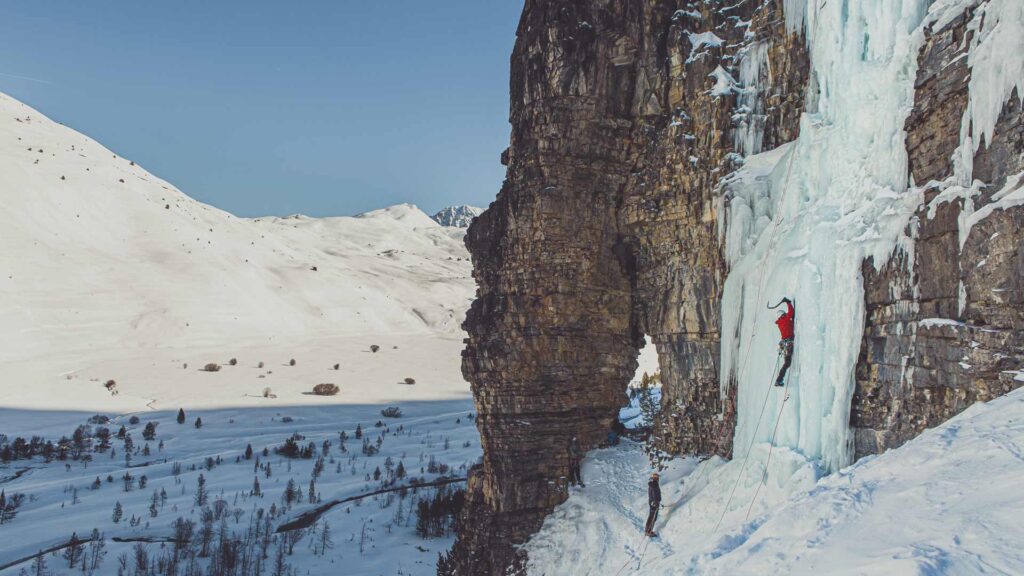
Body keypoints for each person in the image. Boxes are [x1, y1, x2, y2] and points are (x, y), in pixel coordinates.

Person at [774, 297, 795, 387]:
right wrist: (788, 302)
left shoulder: (780, 323)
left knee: (786, 363)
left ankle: (779, 379)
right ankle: (779, 380)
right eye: (784, 314)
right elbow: (791, 312)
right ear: (782, 315)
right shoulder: (785, 319)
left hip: (784, 343)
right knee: (787, 362)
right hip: (788, 342)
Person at [645, 472, 661, 536]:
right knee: (653, 517)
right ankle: (648, 532)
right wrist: (655, 502)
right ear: (656, 478)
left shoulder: (652, 484)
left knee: (651, 516)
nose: (658, 478)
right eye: (657, 477)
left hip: (651, 501)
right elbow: (654, 493)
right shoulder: (655, 484)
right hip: (654, 502)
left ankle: (647, 530)